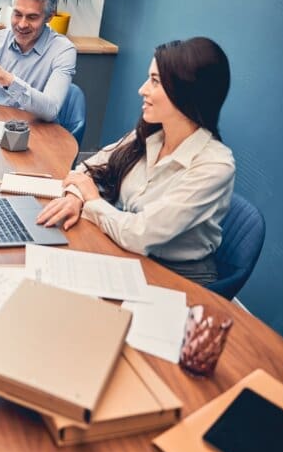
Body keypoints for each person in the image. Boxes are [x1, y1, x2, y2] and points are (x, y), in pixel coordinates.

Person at [37, 37, 235, 285]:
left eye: (155, 82)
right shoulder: (149, 134)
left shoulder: (215, 167)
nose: (142, 90)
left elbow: (140, 234)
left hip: (176, 277)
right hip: (125, 250)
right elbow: (88, 168)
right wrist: (76, 196)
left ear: (186, 91)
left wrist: (91, 200)